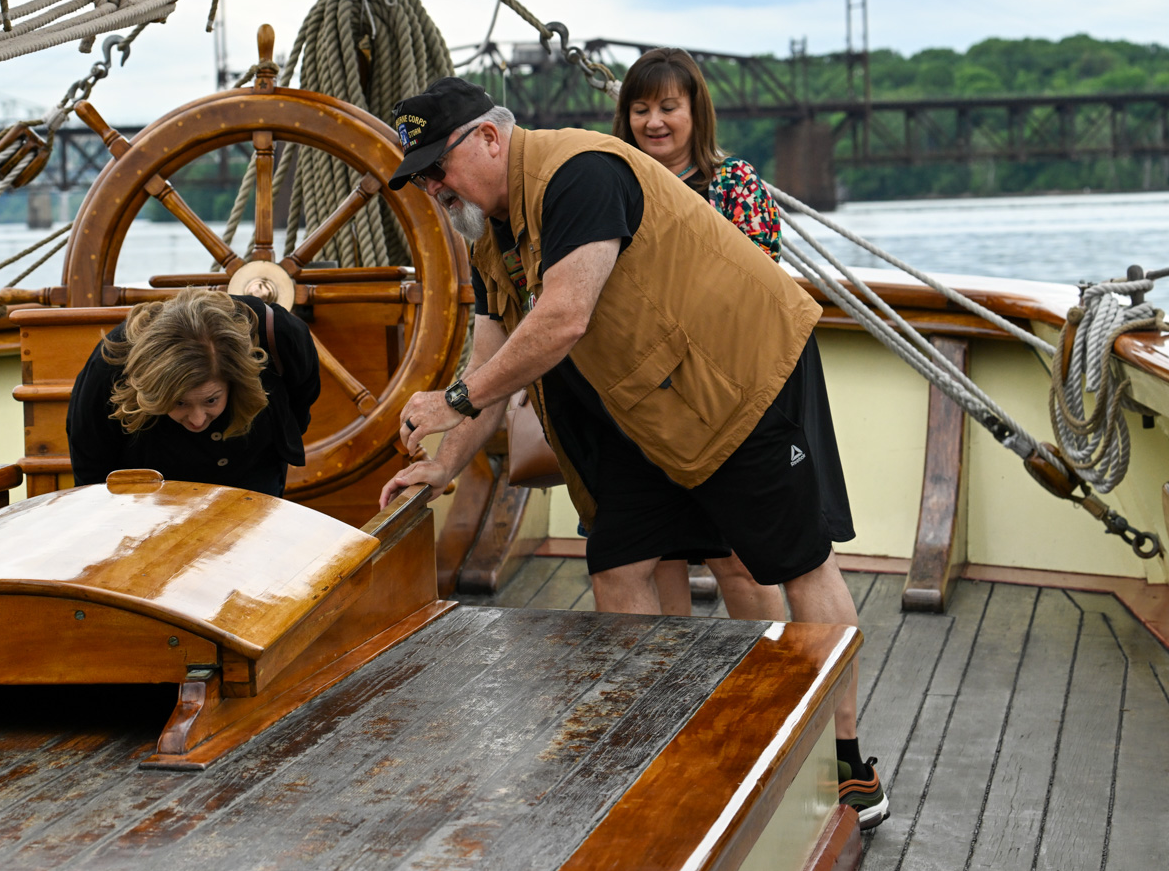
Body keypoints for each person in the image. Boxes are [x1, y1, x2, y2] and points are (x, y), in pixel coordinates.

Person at [377, 77, 887, 831]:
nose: (432, 186)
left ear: (488, 138)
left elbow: (563, 317)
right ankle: (663, 746)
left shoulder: (579, 174)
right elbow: (491, 345)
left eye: (435, 166)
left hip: (739, 379)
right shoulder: (492, 230)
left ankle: (847, 761)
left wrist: (451, 402)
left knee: (795, 560)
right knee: (620, 563)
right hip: (647, 407)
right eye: (419, 176)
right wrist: (447, 460)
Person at [612, 47, 855, 621]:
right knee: (660, 552)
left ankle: (765, 686)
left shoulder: (733, 182)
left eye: (669, 106)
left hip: (726, 392)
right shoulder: (611, 186)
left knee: (738, 558)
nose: (654, 122)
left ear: (697, 113)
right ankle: (673, 695)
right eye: (641, 108)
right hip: (648, 394)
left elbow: (757, 284)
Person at [66, 288, 320, 498]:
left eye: (211, 399)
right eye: (179, 403)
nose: (197, 419)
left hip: (252, 466)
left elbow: (303, 394)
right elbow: (91, 463)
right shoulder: (112, 365)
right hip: (153, 488)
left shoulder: (278, 333)